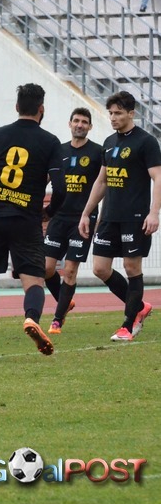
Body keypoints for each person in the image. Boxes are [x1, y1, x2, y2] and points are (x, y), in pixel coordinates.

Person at [0, 83, 62, 361]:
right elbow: (62, 189)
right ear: (41, 109)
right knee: (34, 281)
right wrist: (48, 212)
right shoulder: (50, 142)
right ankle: (31, 319)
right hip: (26, 221)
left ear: (17, 107)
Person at [78, 91, 160, 341]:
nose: (113, 117)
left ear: (131, 113)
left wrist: (153, 213)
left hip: (134, 217)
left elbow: (158, 177)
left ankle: (128, 325)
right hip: (109, 217)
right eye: (111, 113)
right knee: (100, 268)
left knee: (131, 267)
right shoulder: (109, 142)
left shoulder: (146, 142)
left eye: (118, 113)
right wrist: (86, 213)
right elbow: (101, 181)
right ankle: (140, 307)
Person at [43, 107, 103, 334]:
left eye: (84, 122)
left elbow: (104, 185)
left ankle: (57, 320)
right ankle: (65, 301)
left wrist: (98, 216)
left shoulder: (97, 152)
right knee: (45, 268)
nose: (80, 125)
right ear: (70, 124)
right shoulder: (58, 151)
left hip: (82, 219)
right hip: (59, 217)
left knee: (69, 270)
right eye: (76, 120)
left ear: (90, 127)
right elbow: (45, 179)